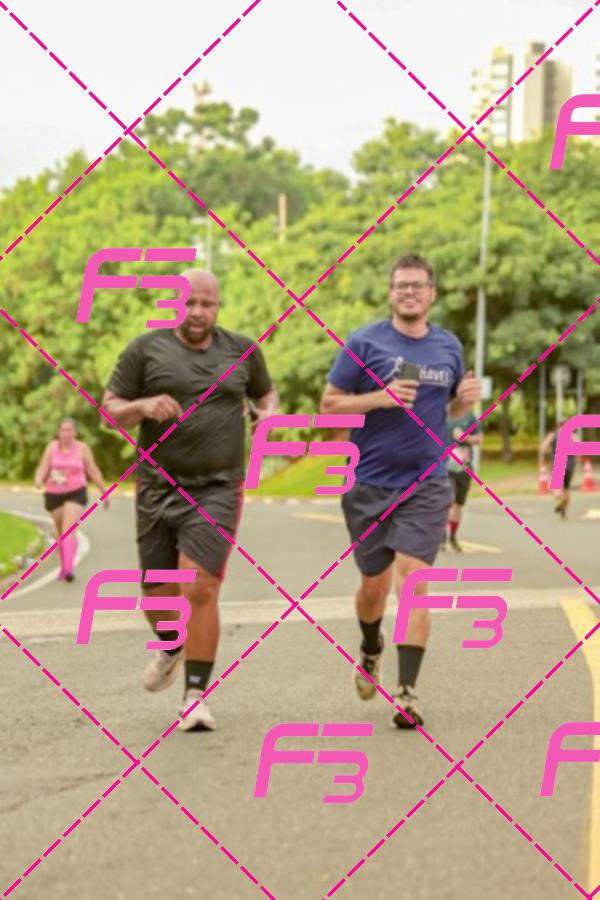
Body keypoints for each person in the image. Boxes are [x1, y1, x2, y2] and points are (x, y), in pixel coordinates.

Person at [102, 269, 277, 733]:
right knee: (157, 597)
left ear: (218, 306)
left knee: (199, 587)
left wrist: (267, 416)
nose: (198, 312)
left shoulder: (243, 351)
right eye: (189, 303)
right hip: (158, 487)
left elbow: (266, 394)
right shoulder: (145, 350)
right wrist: (141, 406)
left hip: (218, 487)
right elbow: (109, 409)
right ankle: (171, 644)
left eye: (207, 304)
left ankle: (195, 695)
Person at [320, 254, 480, 729]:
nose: (410, 292)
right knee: (374, 586)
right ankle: (371, 647)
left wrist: (462, 402)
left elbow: (448, 410)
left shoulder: (449, 345)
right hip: (368, 483)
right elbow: (329, 405)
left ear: (432, 293)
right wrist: (380, 397)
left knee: (414, 583)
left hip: (426, 481)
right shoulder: (363, 342)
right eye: (401, 286)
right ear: (391, 293)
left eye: (418, 285)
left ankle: (407, 694)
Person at [34, 417, 108, 581]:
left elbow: (92, 470)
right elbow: (43, 467)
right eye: (63, 430)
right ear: (58, 433)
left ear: (75, 433)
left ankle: (69, 569)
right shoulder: (51, 447)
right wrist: (38, 480)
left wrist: (104, 491)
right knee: (61, 532)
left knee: (68, 529)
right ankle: (63, 566)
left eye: (69, 430)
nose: (66, 433)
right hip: (54, 493)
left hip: (76, 492)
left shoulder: (82, 449)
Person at [442, 412, 483, 552]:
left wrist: (466, 437)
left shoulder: (469, 417)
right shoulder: (442, 414)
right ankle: (442, 537)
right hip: (445, 468)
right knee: (448, 500)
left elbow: (479, 438)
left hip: (464, 468)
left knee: (458, 505)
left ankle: (452, 537)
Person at [539, 421, 574, 518]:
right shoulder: (572, 436)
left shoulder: (552, 435)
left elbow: (543, 447)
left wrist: (547, 452)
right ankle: (563, 510)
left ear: (557, 426)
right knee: (566, 489)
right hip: (570, 465)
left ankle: (560, 497)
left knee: (556, 487)